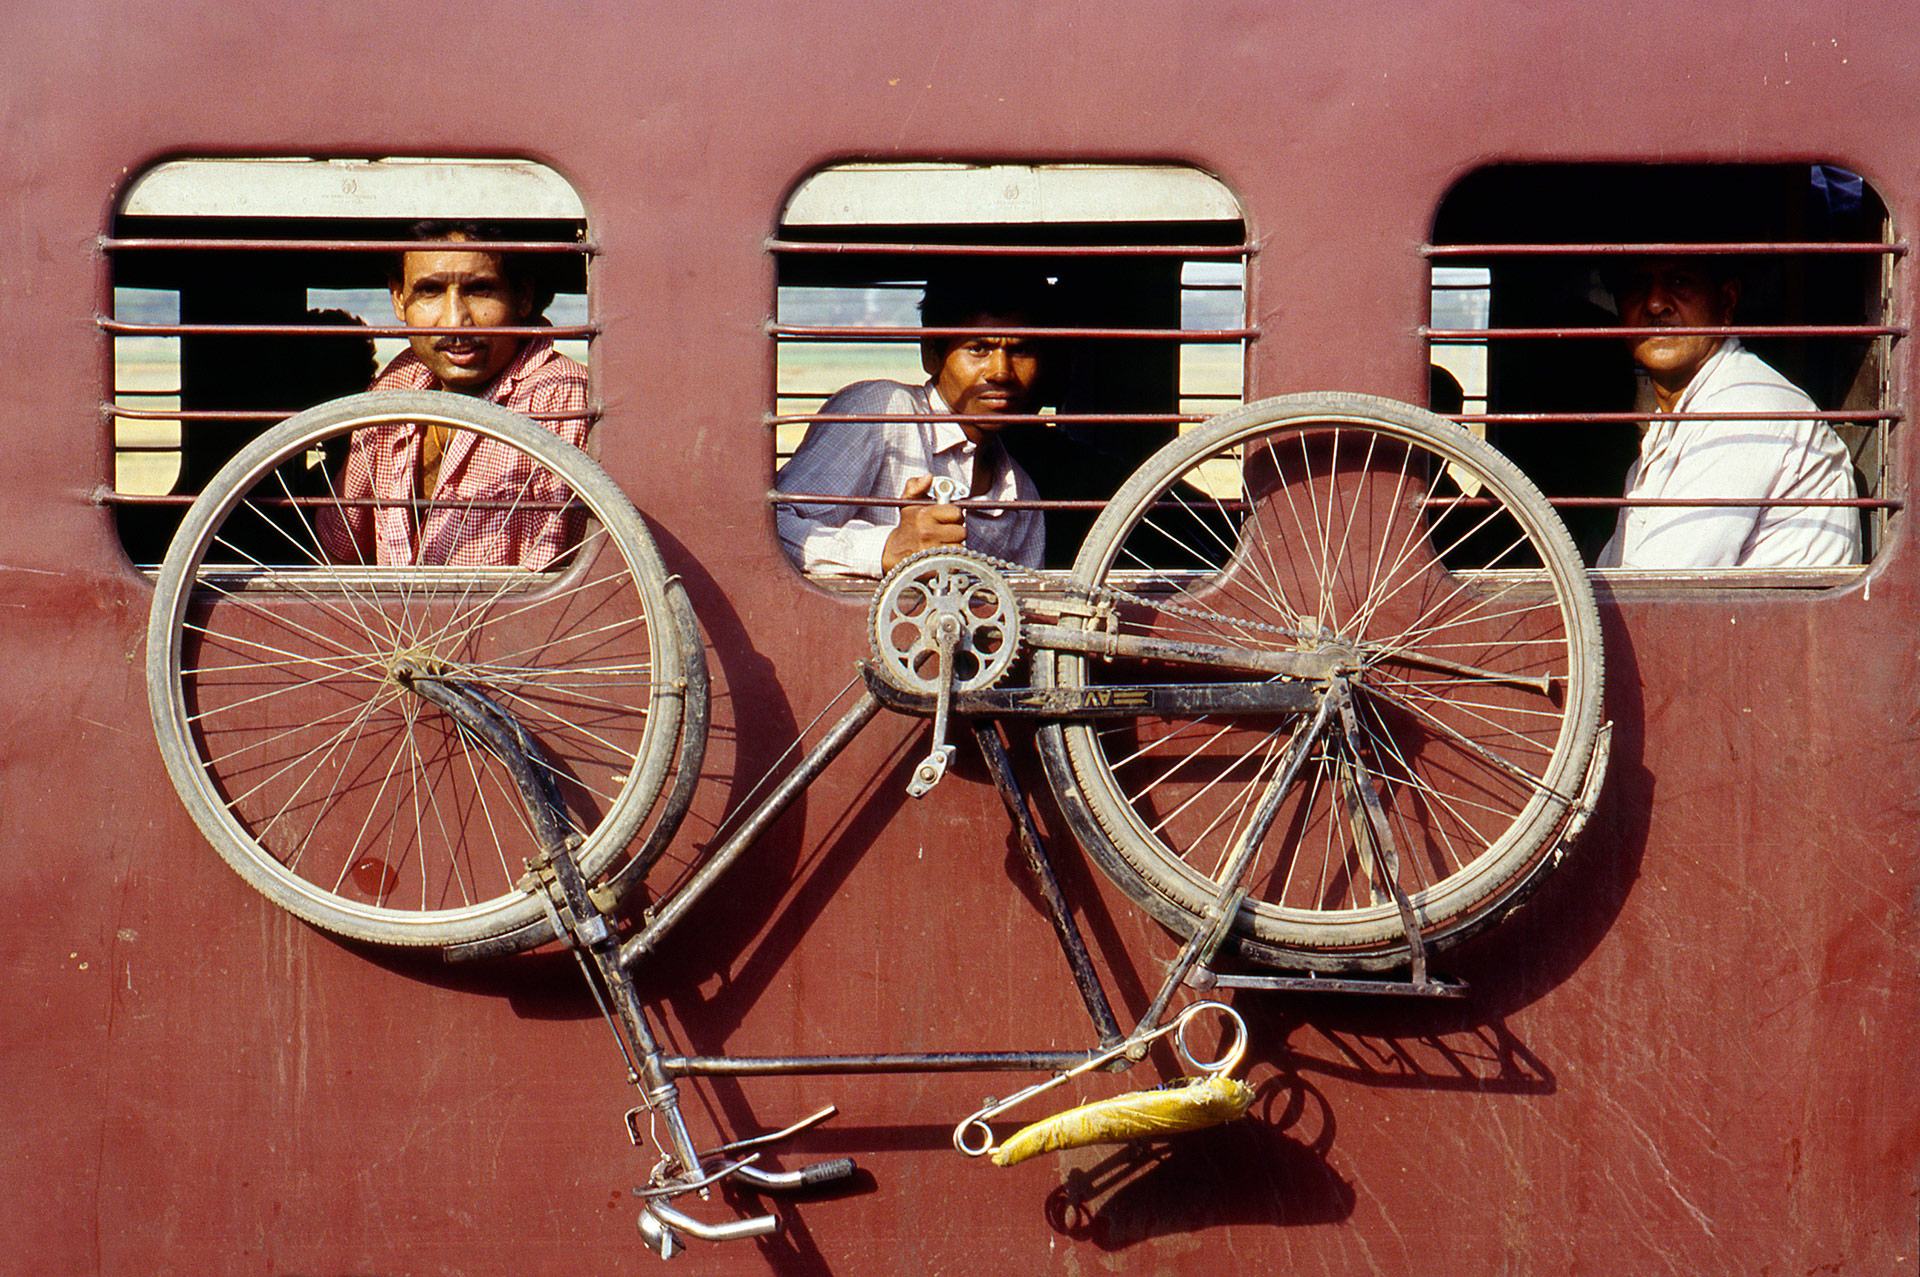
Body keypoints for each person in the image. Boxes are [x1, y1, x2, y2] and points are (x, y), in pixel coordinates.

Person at [317, 222, 590, 568]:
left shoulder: (564, 400)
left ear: (522, 296)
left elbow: (590, 577)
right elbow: (338, 545)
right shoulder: (396, 384)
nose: (456, 321)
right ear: (399, 299)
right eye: (430, 291)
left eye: (480, 291)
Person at [775, 271, 1050, 577]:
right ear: (931, 354)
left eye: (1021, 350)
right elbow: (771, 525)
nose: (1001, 372)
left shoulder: (1022, 496)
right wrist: (886, 549)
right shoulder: (882, 412)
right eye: (978, 348)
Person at [1597, 256, 1861, 568]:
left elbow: (1657, 586)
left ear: (1726, 301)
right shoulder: (1676, 423)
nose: (1655, 304)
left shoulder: (1746, 407)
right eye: (1636, 285)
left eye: (1680, 281)